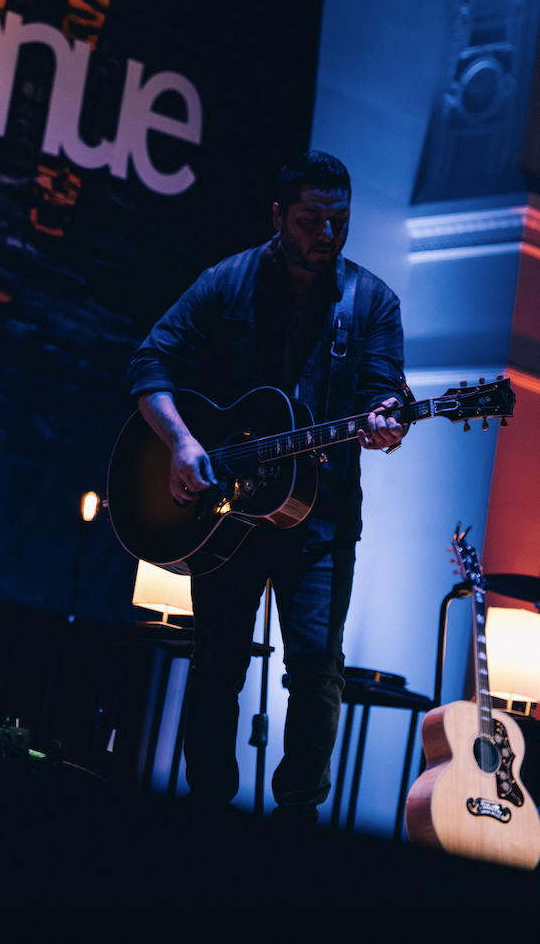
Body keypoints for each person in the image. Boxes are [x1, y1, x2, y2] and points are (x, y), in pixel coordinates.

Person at [127, 151, 404, 823]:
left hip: (321, 521)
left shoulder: (372, 302)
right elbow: (150, 361)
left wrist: (386, 424)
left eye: (340, 220)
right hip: (227, 514)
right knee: (217, 663)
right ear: (278, 216)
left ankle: (296, 823)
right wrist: (182, 442)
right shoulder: (227, 281)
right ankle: (206, 811)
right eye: (311, 220)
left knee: (317, 670)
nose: (327, 234)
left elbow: (383, 399)